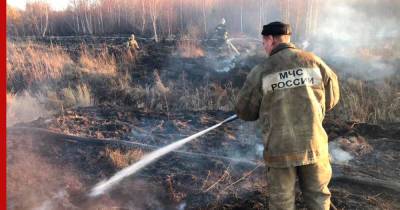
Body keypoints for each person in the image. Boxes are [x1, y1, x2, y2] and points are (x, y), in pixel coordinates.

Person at [235, 21, 340, 210]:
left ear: (271, 39)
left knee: (281, 203)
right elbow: (332, 97)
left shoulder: (262, 70)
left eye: (263, 42)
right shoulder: (314, 61)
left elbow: (245, 111)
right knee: (318, 198)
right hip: (313, 145)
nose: (263, 46)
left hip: (280, 150)